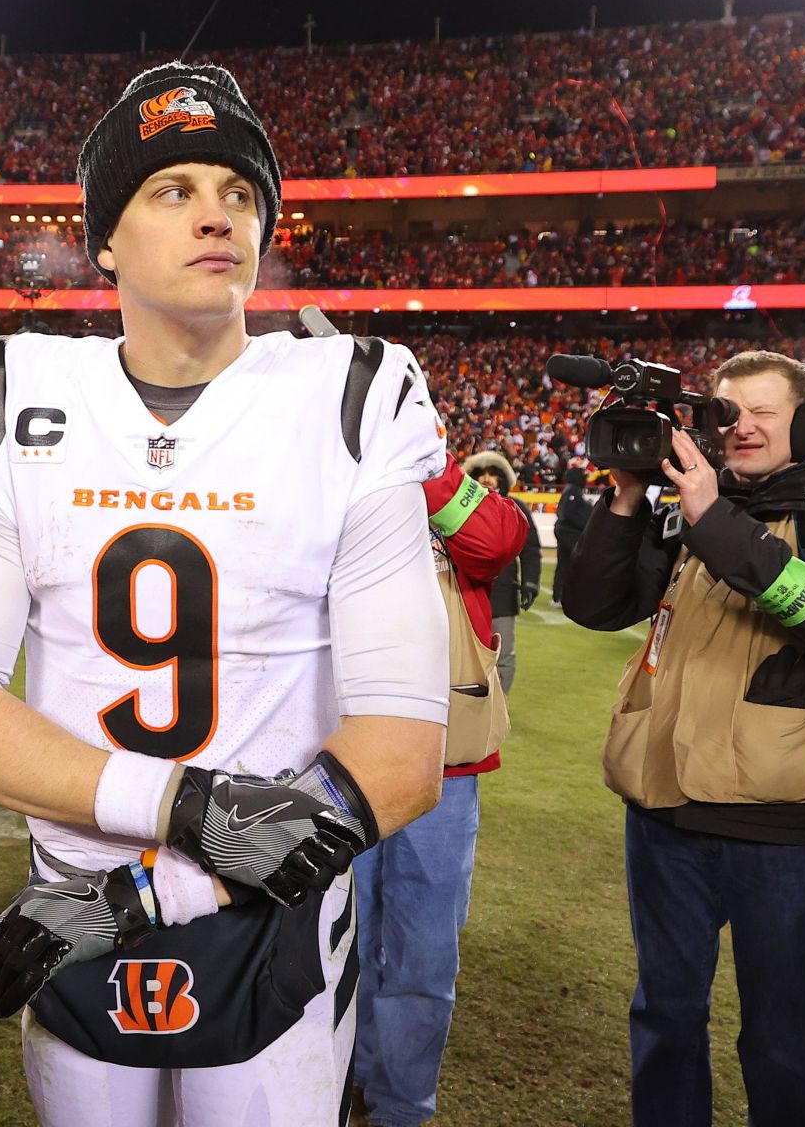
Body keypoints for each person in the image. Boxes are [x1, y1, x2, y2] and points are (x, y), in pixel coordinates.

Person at [0, 62, 451, 1127]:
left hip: (262, 916)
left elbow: (403, 752)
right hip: (79, 888)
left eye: (240, 192)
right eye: (174, 190)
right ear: (104, 239)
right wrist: (187, 811)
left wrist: (149, 888)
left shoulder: (353, 393)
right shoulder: (7, 390)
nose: (218, 213)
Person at [564, 349, 805, 1127]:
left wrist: (712, 518)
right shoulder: (681, 514)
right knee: (666, 1019)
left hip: (787, 832)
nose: (742, 426)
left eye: (765, 412)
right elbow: (592, 606)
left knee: (782, 1038)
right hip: (664, 814)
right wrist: (624, 500)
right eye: (727, 412)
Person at [353, 451, 528, 1127]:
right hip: (345, 760)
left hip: (442, 767)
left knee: (423, 955)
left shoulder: (443, 485)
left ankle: (401, 1107)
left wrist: (420, 458)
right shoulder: (327, 476)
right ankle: (349, 1081)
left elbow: (497, 541)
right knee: (344, 941)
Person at [467, 451, 539, 695]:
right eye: (481, 474)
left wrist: (530, 583)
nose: (487, 479)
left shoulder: (516, 508)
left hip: (503, 596)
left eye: (493, 474)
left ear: (503, 479)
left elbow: (530, 549)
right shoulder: (462, 509)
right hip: (467, 593)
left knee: (504, 655)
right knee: (467, 655)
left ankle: (500, 705)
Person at [552, 465, 593, 611]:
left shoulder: (571, 490)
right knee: (573, 565)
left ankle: (560, 596)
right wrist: (586, 523)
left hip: (566, 533)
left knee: (565, 565)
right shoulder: (573, 492)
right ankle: (565, 597)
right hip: (569, 534)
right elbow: (567, 514)